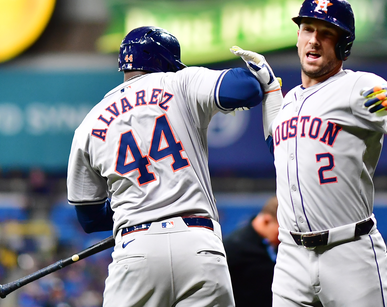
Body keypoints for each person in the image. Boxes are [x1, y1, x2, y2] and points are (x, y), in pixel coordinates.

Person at [231, 0, 387, 307]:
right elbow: (279, 146)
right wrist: (271, 87)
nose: (314, 40)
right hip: (291, 256)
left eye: (326, 33)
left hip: (348, 251)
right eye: (307, 29)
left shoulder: (359, 86)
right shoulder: (289, 102)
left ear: (343, 44)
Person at [66, 25, 265, 307]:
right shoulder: (180, 82)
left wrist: (136, 200)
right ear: (167, 62)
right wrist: (258, 70)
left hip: (136, 249)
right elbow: (245, 88)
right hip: (198, 245)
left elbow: (88, 219)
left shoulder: (89, 124)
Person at [224, 196, 280, 307]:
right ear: (267, 220)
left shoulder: (279, 246)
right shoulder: (234, 247)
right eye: (280, 229)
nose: (283, 235)